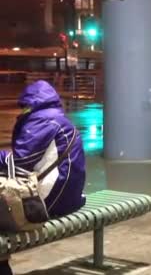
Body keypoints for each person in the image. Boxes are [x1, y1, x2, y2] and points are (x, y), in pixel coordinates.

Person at [0, 81, 87, 274]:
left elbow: (20, 161)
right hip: (71, 199)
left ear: (31, 103)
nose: (21, 110)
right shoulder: (57, 118)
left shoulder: (42, 121)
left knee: (3, 210)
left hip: (50, 202)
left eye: (23, 106)